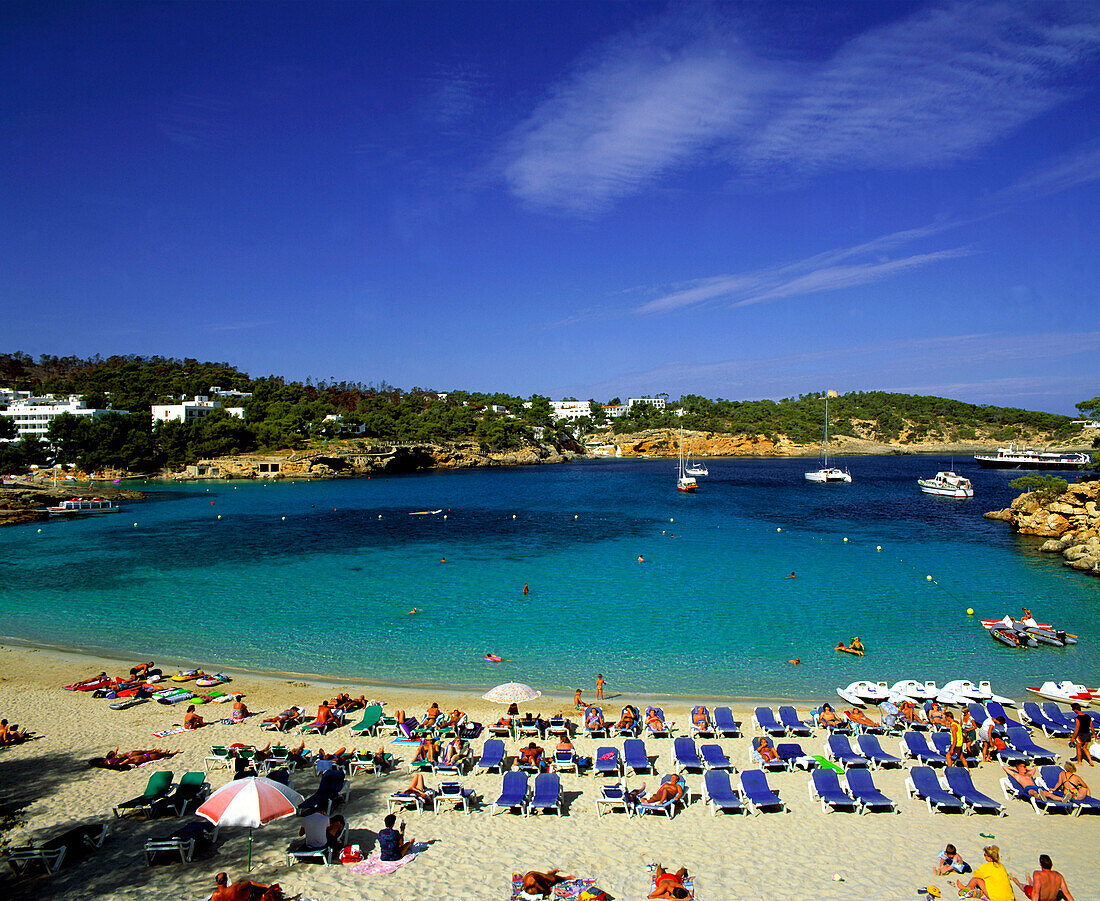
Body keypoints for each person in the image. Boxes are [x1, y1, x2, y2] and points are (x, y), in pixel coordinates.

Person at [1011, 854, 1077, 901]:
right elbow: (1067, 893)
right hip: (1053, 900)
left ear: (1040, 864)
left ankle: (1017, 882)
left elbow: (1036, 892)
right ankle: (1029, 879)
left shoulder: (1038, 874)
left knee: (1025, 887)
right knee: (1035, 885)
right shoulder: (1059, 876)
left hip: (1041, 899)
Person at [212, 872, 276, 901]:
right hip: (250, 897)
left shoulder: (215, 895)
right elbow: (250, 882)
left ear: (216, 882)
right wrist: (266, 885)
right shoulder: (234, 887)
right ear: (226, 881)